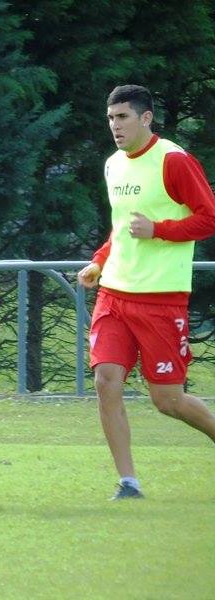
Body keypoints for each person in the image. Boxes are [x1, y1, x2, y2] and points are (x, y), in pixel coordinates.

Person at [77, 84, 215, 500]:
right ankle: (128, 481)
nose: (115, 126)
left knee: (168, 400)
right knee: (106, 380)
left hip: (160, 298)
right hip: (115, 294)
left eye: (122, 117)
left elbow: (209, 217)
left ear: (146, 118)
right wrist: (100, 261)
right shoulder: (112, 165)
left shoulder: (173, 160)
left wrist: (160, 230)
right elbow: (121, 229)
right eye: (110, 118)